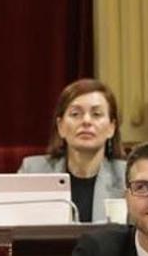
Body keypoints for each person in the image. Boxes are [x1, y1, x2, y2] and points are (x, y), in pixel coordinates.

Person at [18, 79, 127, 223]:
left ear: (111, 127)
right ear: (61, 126)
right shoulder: (33, 171)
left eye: (96, 114)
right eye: (75, 114)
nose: (86, 121)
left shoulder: (127, 177)